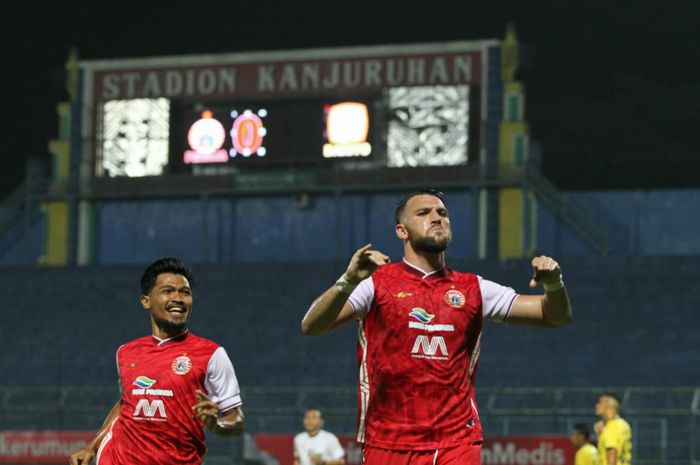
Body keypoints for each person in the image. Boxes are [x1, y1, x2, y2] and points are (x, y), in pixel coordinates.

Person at [301, 189, 572, 464]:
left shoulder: (473, 288)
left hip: (457, 441)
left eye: (442, 213)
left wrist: (554, 283)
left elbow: (554, 316)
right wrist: (348, 281)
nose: (437, 218)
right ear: (401, 231)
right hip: (388, 442)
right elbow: (312, 325)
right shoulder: (376, 284)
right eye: (423, 213)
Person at [69, 257, 244, 465]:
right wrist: (93, 446)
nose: (178, 298)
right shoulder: (126, 352)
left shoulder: (211, 354)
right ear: (146, 301)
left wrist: (217, 424)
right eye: (168, 291)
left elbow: (237, 419)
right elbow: (127, 402)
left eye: (185, 292)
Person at [594, 393, 632, 465]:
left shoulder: (611, 427)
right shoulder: (623, 424)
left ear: (609, 406)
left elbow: (612, 454)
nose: (597, 405)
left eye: (600, 403)